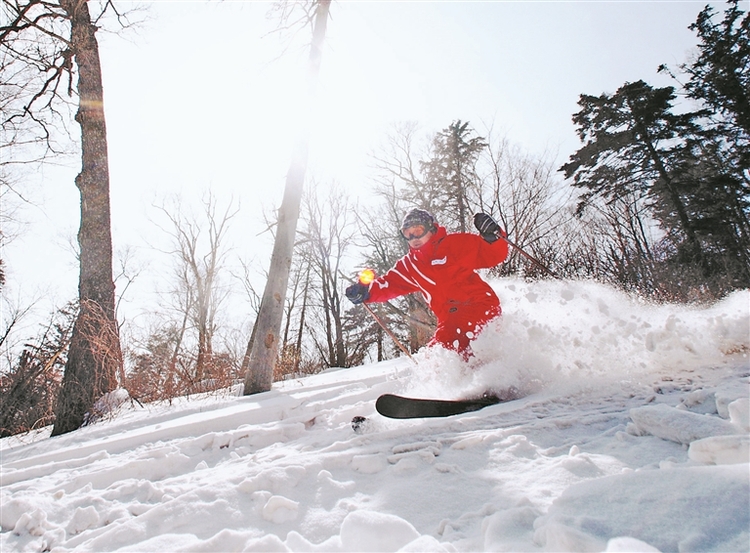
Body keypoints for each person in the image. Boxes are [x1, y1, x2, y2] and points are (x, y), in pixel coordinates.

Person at [346, 208, 509, 357]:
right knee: (433, 355)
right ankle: (472, 383)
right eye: (407, 233)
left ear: (431, 228)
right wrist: (366, 291)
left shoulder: (452, 245)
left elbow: (491, 255)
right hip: (449, 318)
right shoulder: (410, 265)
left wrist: (492, 236)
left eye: (418, 231)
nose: (413, 238)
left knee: (447, 345)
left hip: (478, 305)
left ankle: (476, 381)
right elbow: (390, 283)